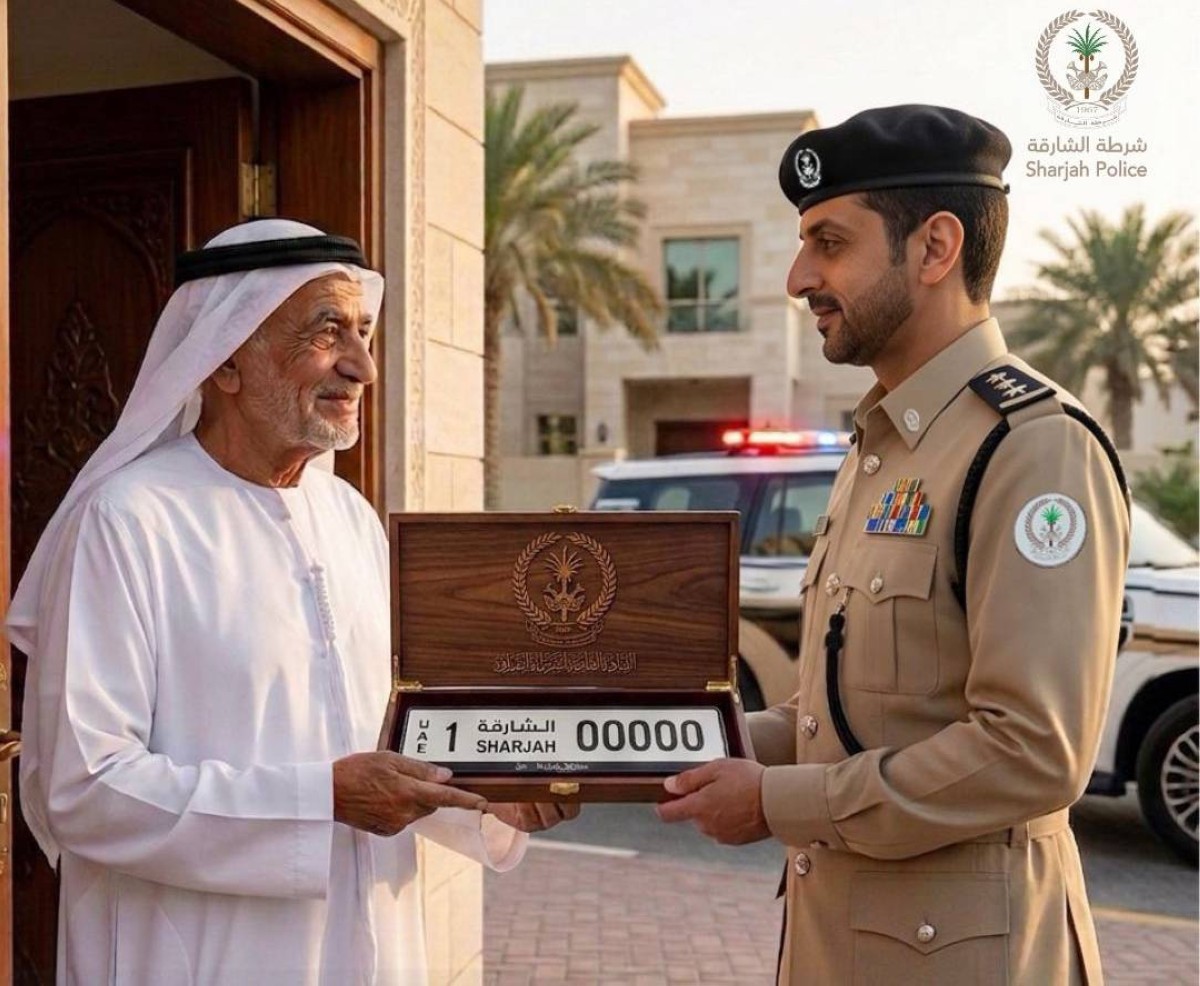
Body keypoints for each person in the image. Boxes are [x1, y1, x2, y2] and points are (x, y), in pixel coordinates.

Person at [8, 218, 577, 985]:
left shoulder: (349, 517)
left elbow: (389, 740)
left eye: (364, 333)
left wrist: (495, 798)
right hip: (194, 958)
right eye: (328, 331)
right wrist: (321, 799)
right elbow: (86, 788)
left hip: (368, 946)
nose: (362, 367)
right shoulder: (128, 520)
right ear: (226, 359)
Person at [656, 105, 1129, 983]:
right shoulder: (885, 445)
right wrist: (666, 741)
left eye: (830, 243)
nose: (799, 277)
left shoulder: (1031, 447)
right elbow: (843, 716)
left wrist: (776, 803)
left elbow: (1033, 750)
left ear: (935, 248)